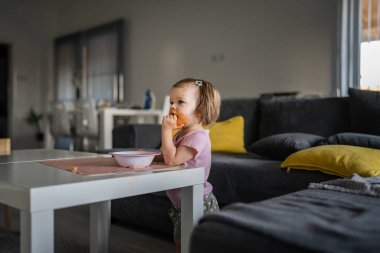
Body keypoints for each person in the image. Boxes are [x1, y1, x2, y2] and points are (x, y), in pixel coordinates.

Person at [160, 77, 221, 253]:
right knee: (181, 245)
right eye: (171, 101)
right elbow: (166, 154)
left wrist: (165, 130)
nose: (172, 106)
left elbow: (171, 160)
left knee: (192, 247)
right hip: (182, 203)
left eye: (181, 102)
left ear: (200, 112)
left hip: (198, 201)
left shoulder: (198, 137)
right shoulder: (181, 135)